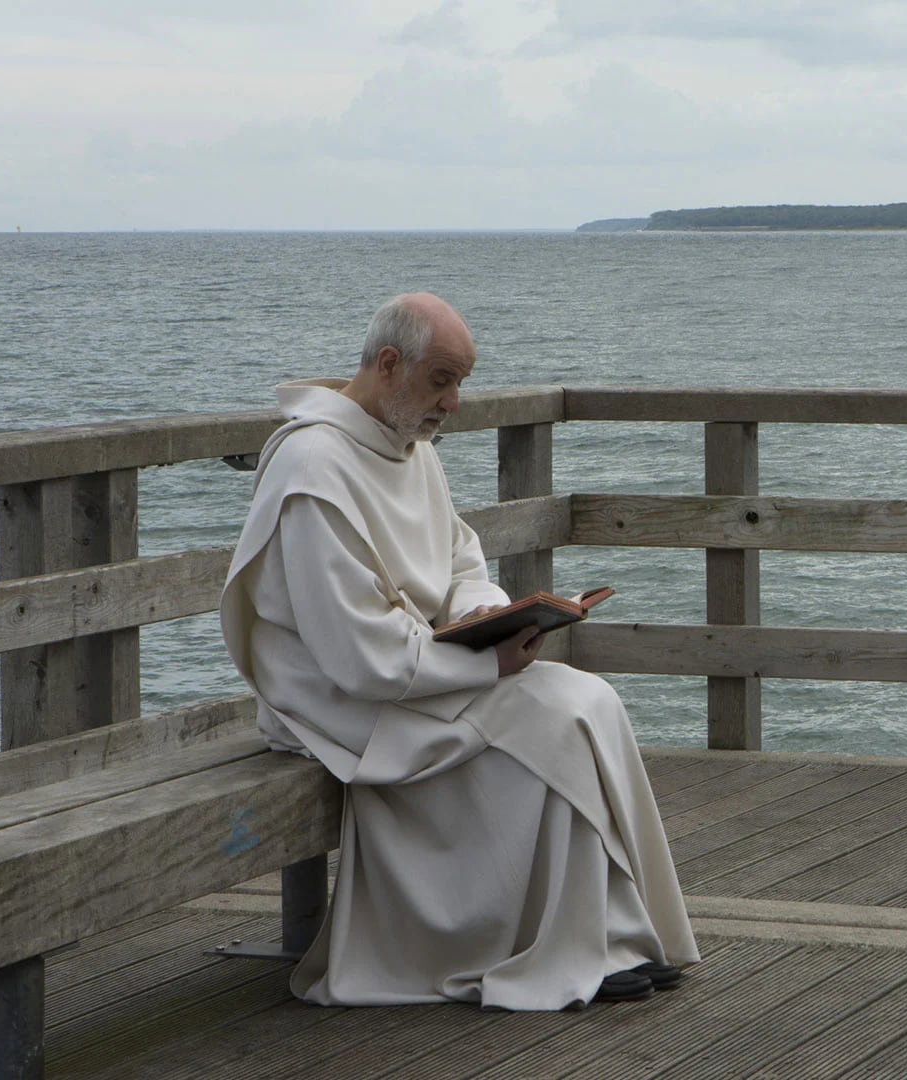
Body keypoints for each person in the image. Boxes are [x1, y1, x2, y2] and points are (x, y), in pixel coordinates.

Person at [219, 292, 698, 1011]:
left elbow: (459, 559)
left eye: (460, 382)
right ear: (389, 365)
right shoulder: (314, 468)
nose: (454, 402)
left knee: (589, 700)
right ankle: (551, 948)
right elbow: (357, 657)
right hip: (338, 703)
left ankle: (611, 933)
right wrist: (485, 661)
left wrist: (484, 614)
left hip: (420, 667)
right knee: (557, 718)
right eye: (443, 380)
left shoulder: (406, 446)